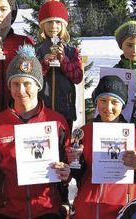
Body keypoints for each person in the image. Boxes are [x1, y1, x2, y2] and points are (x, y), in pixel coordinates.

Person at [0, 44, 71, 219]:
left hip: (46, 209)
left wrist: (66, 173)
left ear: (38, 85)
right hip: (6, 210)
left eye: (27, 83)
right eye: (15, 84)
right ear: (9, 87)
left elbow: (68, 166)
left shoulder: (57, 122)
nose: (21, 90)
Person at [66, 75, 136, 219]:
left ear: (123, 105)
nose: (108, 107)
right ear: (96, 103)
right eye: (103, 101)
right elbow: (77, 175)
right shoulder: (85, 132)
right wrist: (74, 161)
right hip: (88, 209)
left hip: (121, 209)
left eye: (114, 102)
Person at [35, 0, 83, 128]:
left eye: (57, 22)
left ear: (63, 25)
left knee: (64, 144)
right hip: (41, 109)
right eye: (49, 22)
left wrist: (64, 61)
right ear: (42, 25)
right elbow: (31, 79)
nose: (53, 26)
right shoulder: (36, 50)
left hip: (65, 108)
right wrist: (43, 64)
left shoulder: (71, 50)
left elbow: (78, 77)